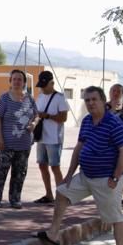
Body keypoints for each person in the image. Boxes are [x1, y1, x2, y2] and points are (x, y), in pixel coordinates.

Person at [36, 86, 123, 245]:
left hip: (106, 179)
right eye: (87, 100)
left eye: (94, 99)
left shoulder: (113, 123)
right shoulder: (87, 121)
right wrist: (70, 174)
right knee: (62, 192)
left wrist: (116, 177)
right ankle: (53, 233)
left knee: (115, 216)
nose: (90, 103)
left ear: (103, 101)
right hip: (86, 175)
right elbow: (80, 147)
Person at [0, 69, 38, 209]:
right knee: (1, 171)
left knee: (20, 172)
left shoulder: (29, 98)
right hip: (6, 143)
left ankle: (15, 199)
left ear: (24, 82)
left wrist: (34, 124)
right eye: (14, 79)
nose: (17, 82)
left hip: (24, 144)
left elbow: (37, 115)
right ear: (10, 81)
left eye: (20, 79)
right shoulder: (4, 98)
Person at [33, 70, 69, 204]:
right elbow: (36, 114)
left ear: (52, 83)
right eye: (41, 85)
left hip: (54, 138)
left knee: (55, 167)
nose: (42, 88)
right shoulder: (40, 97)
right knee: (42, 165)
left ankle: (61, 196)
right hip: (41, 137)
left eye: (44, 85)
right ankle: (49, 195)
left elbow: (64, 117)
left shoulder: (60, 97)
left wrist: (47, 116)